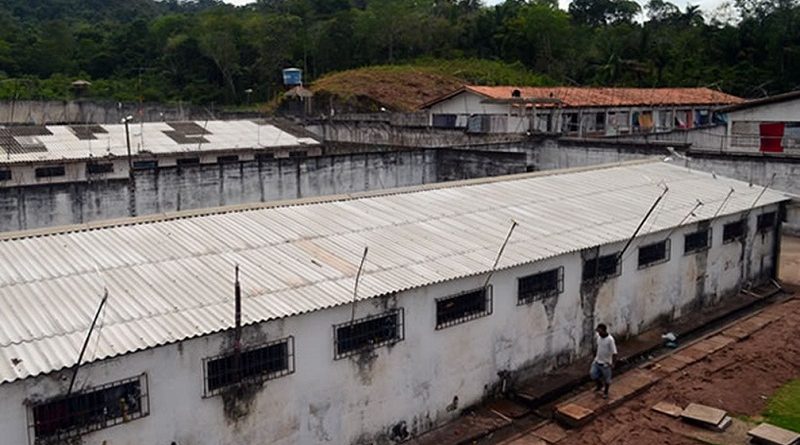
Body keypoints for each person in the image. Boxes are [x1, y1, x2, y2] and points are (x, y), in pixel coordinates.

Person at [590, 323, 617, 399]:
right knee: (593, 374)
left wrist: (613, 363)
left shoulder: (610, 340)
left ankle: (606, 392)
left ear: (603, 331)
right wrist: (595, 356)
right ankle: (599, 385)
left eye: (599, 331)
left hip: (606, 363)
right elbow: (598, 347)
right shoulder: (599, 338)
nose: (598, 333)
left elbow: (614, 352)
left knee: (607, 380)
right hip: (597, 361)